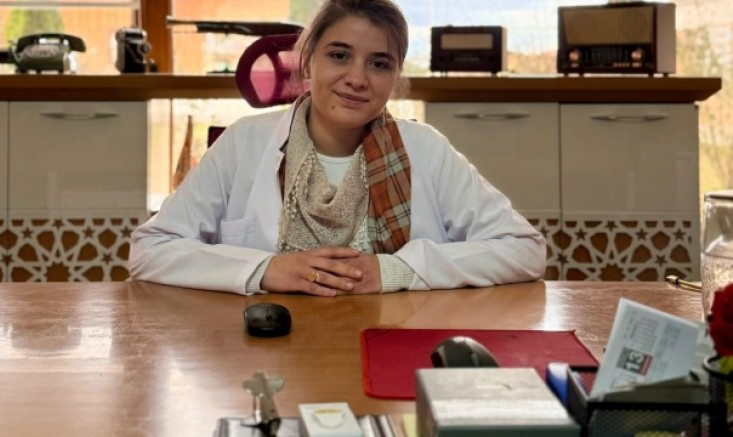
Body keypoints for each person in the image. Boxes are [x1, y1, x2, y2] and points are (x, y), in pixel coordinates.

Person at [129, 0, 546, 296]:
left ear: (396, 76)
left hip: (392, 341)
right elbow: (150, 250)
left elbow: (524, 249)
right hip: (263, 355)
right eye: (340, 56)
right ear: (308, 60)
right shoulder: (244, 142)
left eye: (379, 64)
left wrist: (398, 270)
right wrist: (262, 269)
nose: (357, 79)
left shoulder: (426, 149)